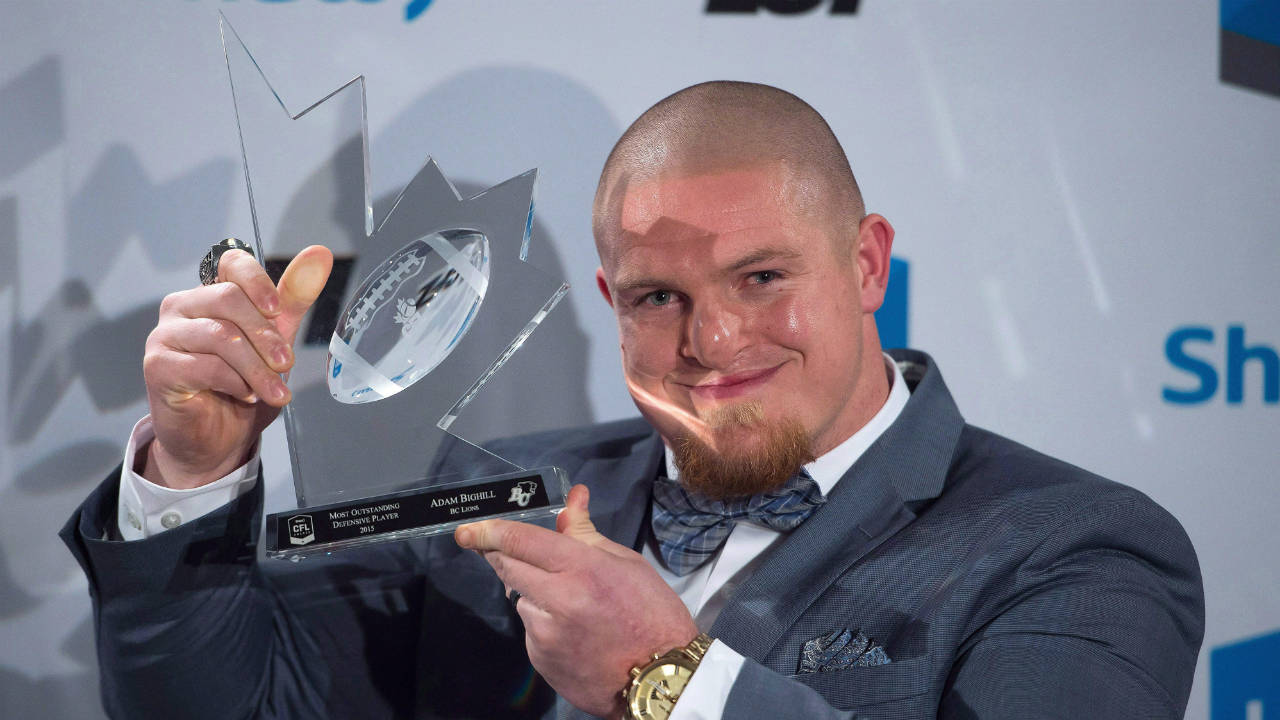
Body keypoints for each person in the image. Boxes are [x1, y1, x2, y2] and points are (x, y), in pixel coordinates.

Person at [62, 81, 1204, 719]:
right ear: (609, 296)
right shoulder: (488, 495)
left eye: (761, 278)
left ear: (865, 265)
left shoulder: (1076, 548)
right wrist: (193, 473)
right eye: (658, 295)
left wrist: (669, 684)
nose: (709, 342)